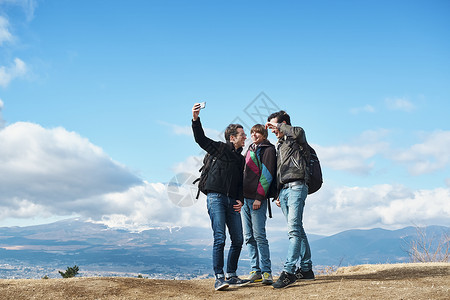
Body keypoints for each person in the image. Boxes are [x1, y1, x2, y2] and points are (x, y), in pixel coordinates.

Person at [191, 103, 250, 291]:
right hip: (215, 197)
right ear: (232, 138)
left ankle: (231, 275)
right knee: (219, 238)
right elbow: (200, 139)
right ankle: (219, 277)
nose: (245, 137)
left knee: (238, 239)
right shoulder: (220, 149)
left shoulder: (241, 159)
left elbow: (240, 182)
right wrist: (195, 118)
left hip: (233, 201)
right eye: (242, 135)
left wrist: (240, 198)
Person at [265, 110, 315, 289]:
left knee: (293, 230)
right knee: (298, 229)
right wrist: (277, 193)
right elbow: (279, 172)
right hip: (285, 190)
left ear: (284, 123)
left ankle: (289, 272)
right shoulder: (280, 145)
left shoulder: (296, 138)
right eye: (270, 126)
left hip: (297, 186)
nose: (272, 130)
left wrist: (279, 126)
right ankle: (307, 269)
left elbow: (299, 131)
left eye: (274, 126)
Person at [242, 124, 277, 285]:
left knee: (259, 236)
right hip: (244, 200)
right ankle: (255, 270)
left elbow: (267, 175)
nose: (254, 135)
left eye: (257, 132)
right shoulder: (249, 149)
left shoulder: (268, 150)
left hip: (257, 199)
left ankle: (267, 272)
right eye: (252, 132)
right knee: (248, 237)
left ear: (264, 135)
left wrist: (259, 197)